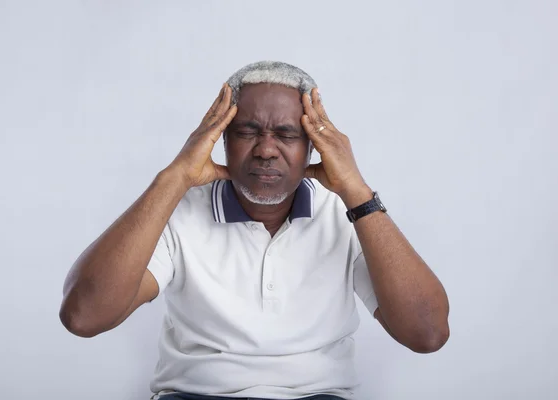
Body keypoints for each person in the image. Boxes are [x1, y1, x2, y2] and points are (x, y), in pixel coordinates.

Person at [59, 61, 450, 400]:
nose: (265, 149)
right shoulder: (178, 212)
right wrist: (174, 178)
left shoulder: (346, 215)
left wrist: (358, 192)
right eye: (247, 131)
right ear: (221, 140)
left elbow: (427, 333)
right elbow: (84, 316)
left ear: (313, 148)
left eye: (286, 134)